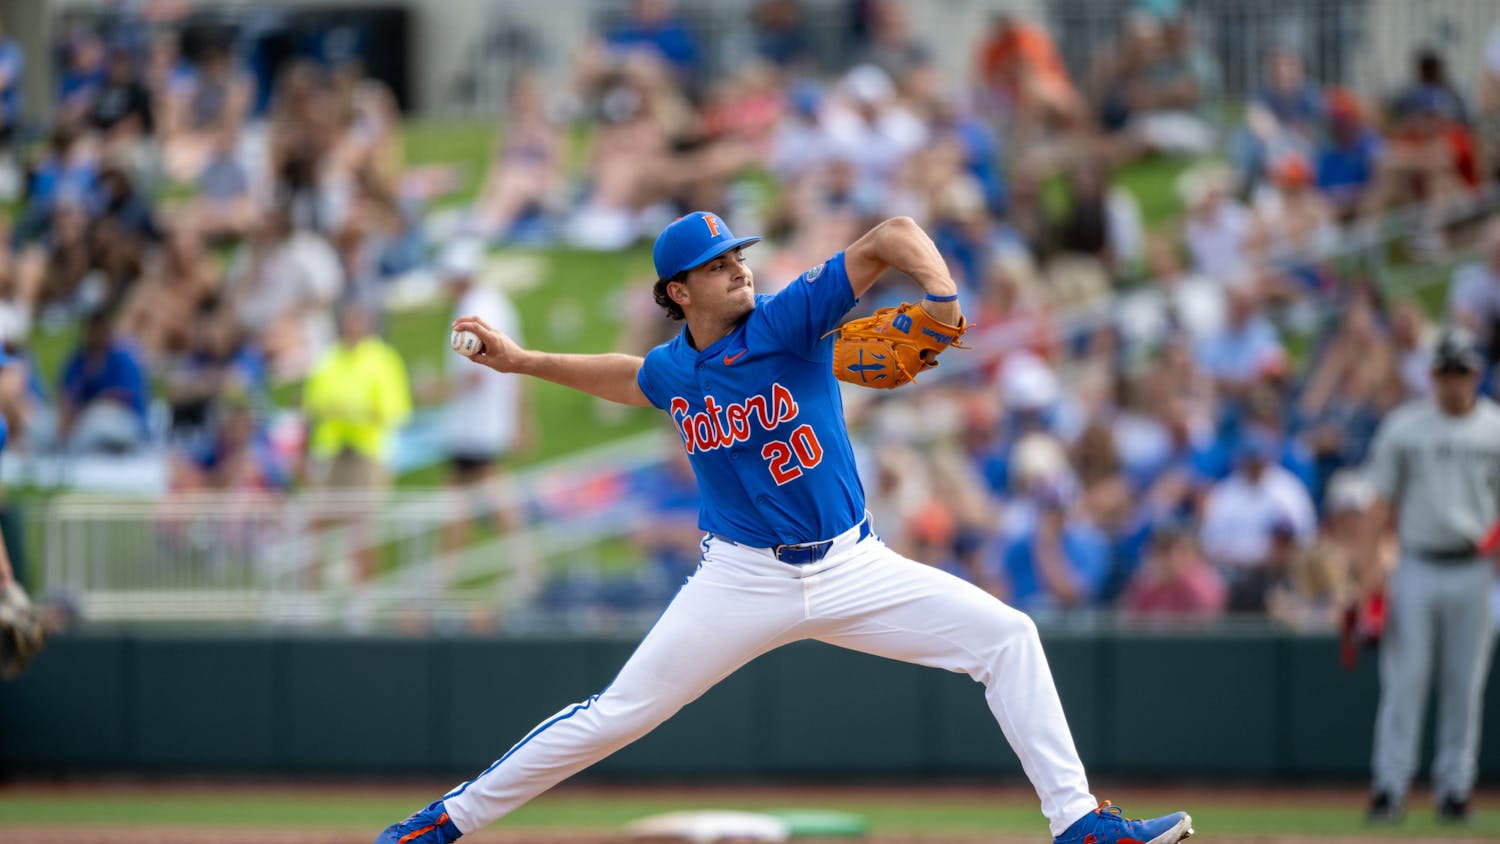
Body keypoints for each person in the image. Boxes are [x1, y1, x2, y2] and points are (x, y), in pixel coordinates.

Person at [375, 212, 1195, 844]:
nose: (739, 268)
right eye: (718, 265)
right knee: (616, 714)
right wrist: (521, 363)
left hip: (855, 565)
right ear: (677, 294)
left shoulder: (790, 318)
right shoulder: (676, 368)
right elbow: (631, 377)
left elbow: (895, 236)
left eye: (739, 256)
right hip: (741, 579)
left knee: (1009, 637)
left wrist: (942, 299)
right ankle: (443, 823)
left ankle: (1078, 823)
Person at [1357, 327, 1500, 826]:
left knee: (1465, 684)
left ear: (1476, 374)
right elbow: (1378, 507)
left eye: (1461, 370)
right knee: (1405, 680)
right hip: (1417, 562)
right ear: (1433, 375)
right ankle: (1389, 788)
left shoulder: (1494, 428)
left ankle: (1455, 791)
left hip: (1474, 566)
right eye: (1445, 371)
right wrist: (1366, 577)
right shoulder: (1406, 426)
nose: (1453, 380)